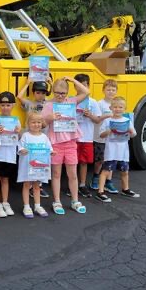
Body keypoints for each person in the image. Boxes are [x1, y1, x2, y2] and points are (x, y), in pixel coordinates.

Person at [43, 76, 89, 215]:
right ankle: (57, 201)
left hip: (70, 142)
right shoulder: (48, 105)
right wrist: (50, 118)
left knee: (73, 174)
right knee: (56, 173)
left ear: (67, 93)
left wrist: (72, 80)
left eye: (63, 93)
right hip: (55, 143)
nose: (60, 96)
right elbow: (42, 124)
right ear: (53, 91)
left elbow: (86, 92)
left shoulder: (71, 101)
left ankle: (75, 200)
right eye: (57, 92)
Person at [97, 96, 139, 202]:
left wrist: (130, 131)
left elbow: (134, 134)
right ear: (111, 108)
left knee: (125, 170)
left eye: (120, 107)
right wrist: (109, 131)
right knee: (106, 170)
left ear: (125, 109)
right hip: (111, 150)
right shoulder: (107, 121)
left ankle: (125, 189)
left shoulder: (127, 120)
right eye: (115, 107)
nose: (118, 109)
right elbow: (101, 135)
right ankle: (100, 191)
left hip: (123, 151)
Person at [17, 113, 54, 218]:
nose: (36, 124)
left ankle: (37, 206)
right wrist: (22, 150)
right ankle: (26, 206)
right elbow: (20, 146)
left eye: (38, 122)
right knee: (26, 185)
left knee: (37, 185)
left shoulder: (44, 137)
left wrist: (51, 152)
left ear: (42, 123)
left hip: (39, 167)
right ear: (28, 123)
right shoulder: (25, 136)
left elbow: (49, 148)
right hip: (27, 166)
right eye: (33, 122)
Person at [0, 91, 20, 218]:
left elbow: (18, 137)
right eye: (2, 105)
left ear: (13, 105)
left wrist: (18, 132)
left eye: (8, 105)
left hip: (10, 155)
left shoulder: (16, 120)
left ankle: (5, 202)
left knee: (5, 179)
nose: (5, 108)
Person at [74, 74, 102, 198]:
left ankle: (82, 185)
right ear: (75, 86)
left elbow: (98, 120)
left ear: (88, 86)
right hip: (73, 137)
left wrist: (89, 115)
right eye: (78, 86)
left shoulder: (93, 102)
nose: (81, 88)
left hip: (87, 137)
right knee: (72, 162)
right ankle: (72, 185)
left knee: (84, 162)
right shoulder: (71, 101)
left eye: (84, 86)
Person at [91, 79, 118, 194]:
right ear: (103, 90)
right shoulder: (100, 104)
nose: (111, 92)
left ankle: (108, 181)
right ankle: (95, 177)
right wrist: (107, 115)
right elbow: (97, 119)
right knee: (100, 160)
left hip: (113, 138)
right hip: (100, 137)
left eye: (113, 90)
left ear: (116, 91)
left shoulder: (117, 105)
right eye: (108, 90)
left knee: (111, 159)